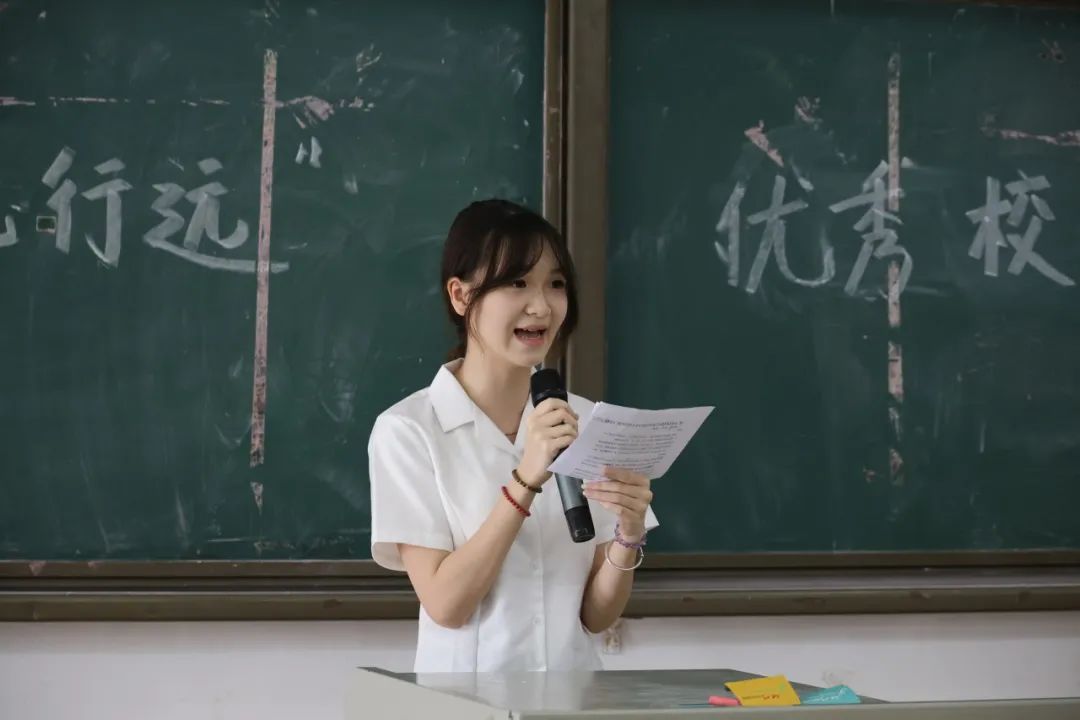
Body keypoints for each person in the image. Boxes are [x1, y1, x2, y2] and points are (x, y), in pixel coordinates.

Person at [368, 199, 659, 673]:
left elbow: (596, 617)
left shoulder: (586, 420)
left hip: (573, 698)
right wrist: (525, 479)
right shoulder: (409, 430)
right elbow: (446, 605)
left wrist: (629, 533)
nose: (541, 306)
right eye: (517, 283)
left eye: (556, 284)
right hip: (465, 700)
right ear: (461, 296)